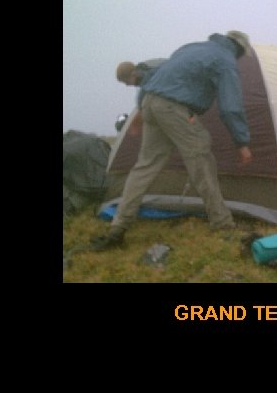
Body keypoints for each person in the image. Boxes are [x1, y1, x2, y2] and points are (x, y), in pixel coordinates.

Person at [91, 30, 253, 251]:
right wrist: (241, 143)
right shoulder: (225, 61)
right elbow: (230, 106)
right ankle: (222, 223)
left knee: (144, 167)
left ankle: (118, 227)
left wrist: (141, 112)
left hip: (151, 103)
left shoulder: (191, 47)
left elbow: (156, 78)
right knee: (201, 159)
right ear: (240, 49)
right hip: (173, 108)